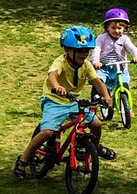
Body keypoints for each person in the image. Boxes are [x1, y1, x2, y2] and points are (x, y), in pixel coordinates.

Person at [13, 25, 116, 179]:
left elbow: (97, 81)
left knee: (96, 124)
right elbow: (52, 75)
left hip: (74, 100)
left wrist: (107, 96)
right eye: (80, 51)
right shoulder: (60, 61)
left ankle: (93, 148)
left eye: (86, 51)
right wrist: (57, 86)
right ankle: (24, 159)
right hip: (55, 100)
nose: (84, 54)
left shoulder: (86, 65)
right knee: (47, 132)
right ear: (68, 50)